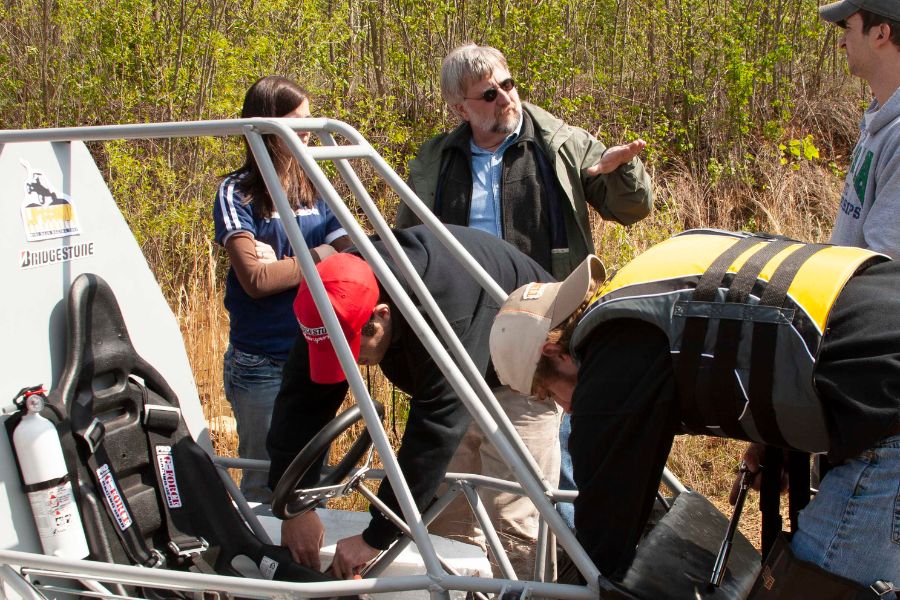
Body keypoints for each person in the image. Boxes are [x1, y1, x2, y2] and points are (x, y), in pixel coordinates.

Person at [488, 229, 900, 588]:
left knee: (816, 587)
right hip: (879, 339)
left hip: (886, 407)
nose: (566, 409)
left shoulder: (614, 356)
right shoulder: (648, 282)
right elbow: (769, 323)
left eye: (549, 394)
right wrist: (773, 439)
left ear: (554, 351)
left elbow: (603, 533)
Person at [397, 43, 654, 537]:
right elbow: (414, 237)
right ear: (460, 109)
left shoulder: (559, 142)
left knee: (558, 460)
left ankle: (575, 568)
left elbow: (631, 208)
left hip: (545, 328)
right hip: (466, 328)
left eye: (508, 85)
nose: (505, 99)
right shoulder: (438, 156)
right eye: (489, 94)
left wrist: (619, 171)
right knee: (463, 467)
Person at [266, 224, 555, 579]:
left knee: (508, 516)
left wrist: (376, 538)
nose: (350, 364)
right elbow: (301, 402)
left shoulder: (440, 311)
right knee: (449, 520)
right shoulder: (331, 296)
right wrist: (294, 506)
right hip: (457, 368)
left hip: (525, 368)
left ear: (381, 316)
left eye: (353, 352)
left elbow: (435, 430)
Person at [213, 75, 351, 502]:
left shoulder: (315, 186)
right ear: (266, 126)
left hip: (316, 355)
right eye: (297, 122)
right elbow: (256, 281)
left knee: (312, 481)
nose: (307, 131)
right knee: (264, 482)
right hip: (261, 363)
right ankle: (263, 567)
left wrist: (293, 263)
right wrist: (321, 254)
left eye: (309, 120)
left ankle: (309, 566)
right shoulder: (236, 192)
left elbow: (353, 254)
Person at [821, 0, 900, 258]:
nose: (841, 43)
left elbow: (884, 268)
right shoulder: (881, 118)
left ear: (881, 33)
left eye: (849, 28)